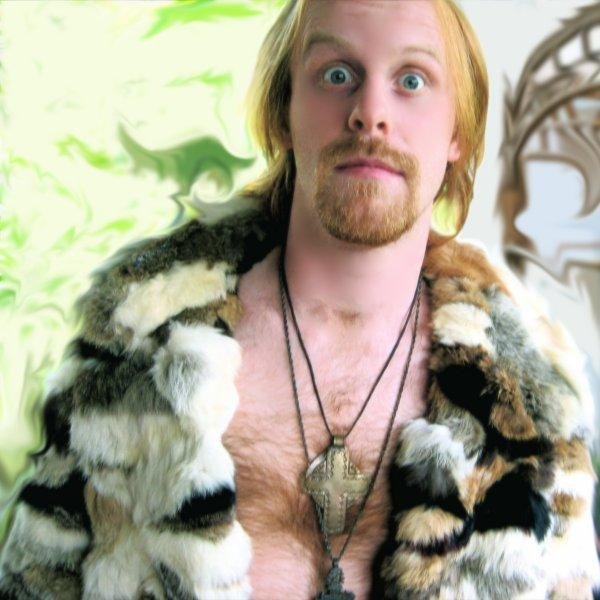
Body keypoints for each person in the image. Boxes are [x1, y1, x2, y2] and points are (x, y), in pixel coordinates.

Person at [1, 0, 598, 598]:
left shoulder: (534, 412)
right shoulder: (134, 355)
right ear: (283, 112)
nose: (370, 114)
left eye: (412, 80)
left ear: (458, 133)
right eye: (337, 74)